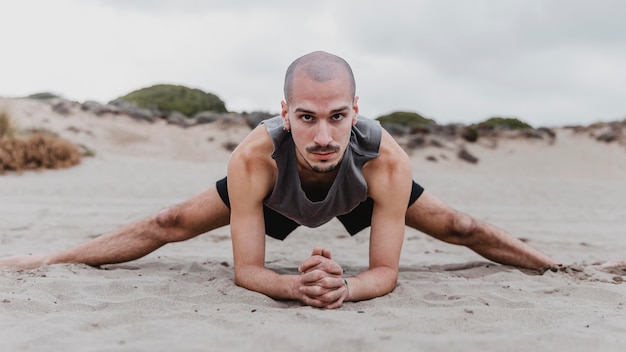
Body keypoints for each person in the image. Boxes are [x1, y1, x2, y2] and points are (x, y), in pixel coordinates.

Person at [0, 51, 556, 309]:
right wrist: (295, 286)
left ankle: (557, 264)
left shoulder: (384, 159)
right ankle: (40, 260)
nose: (322, 135)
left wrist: (346, 286)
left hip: (354, 191)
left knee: (460, 225)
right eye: (306, 117)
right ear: (284, 112)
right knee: (168, 221)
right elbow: (248, 270)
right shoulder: (254, 158)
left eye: (338, 116)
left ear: (356, 111)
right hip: (278, 194)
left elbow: (384, 270)